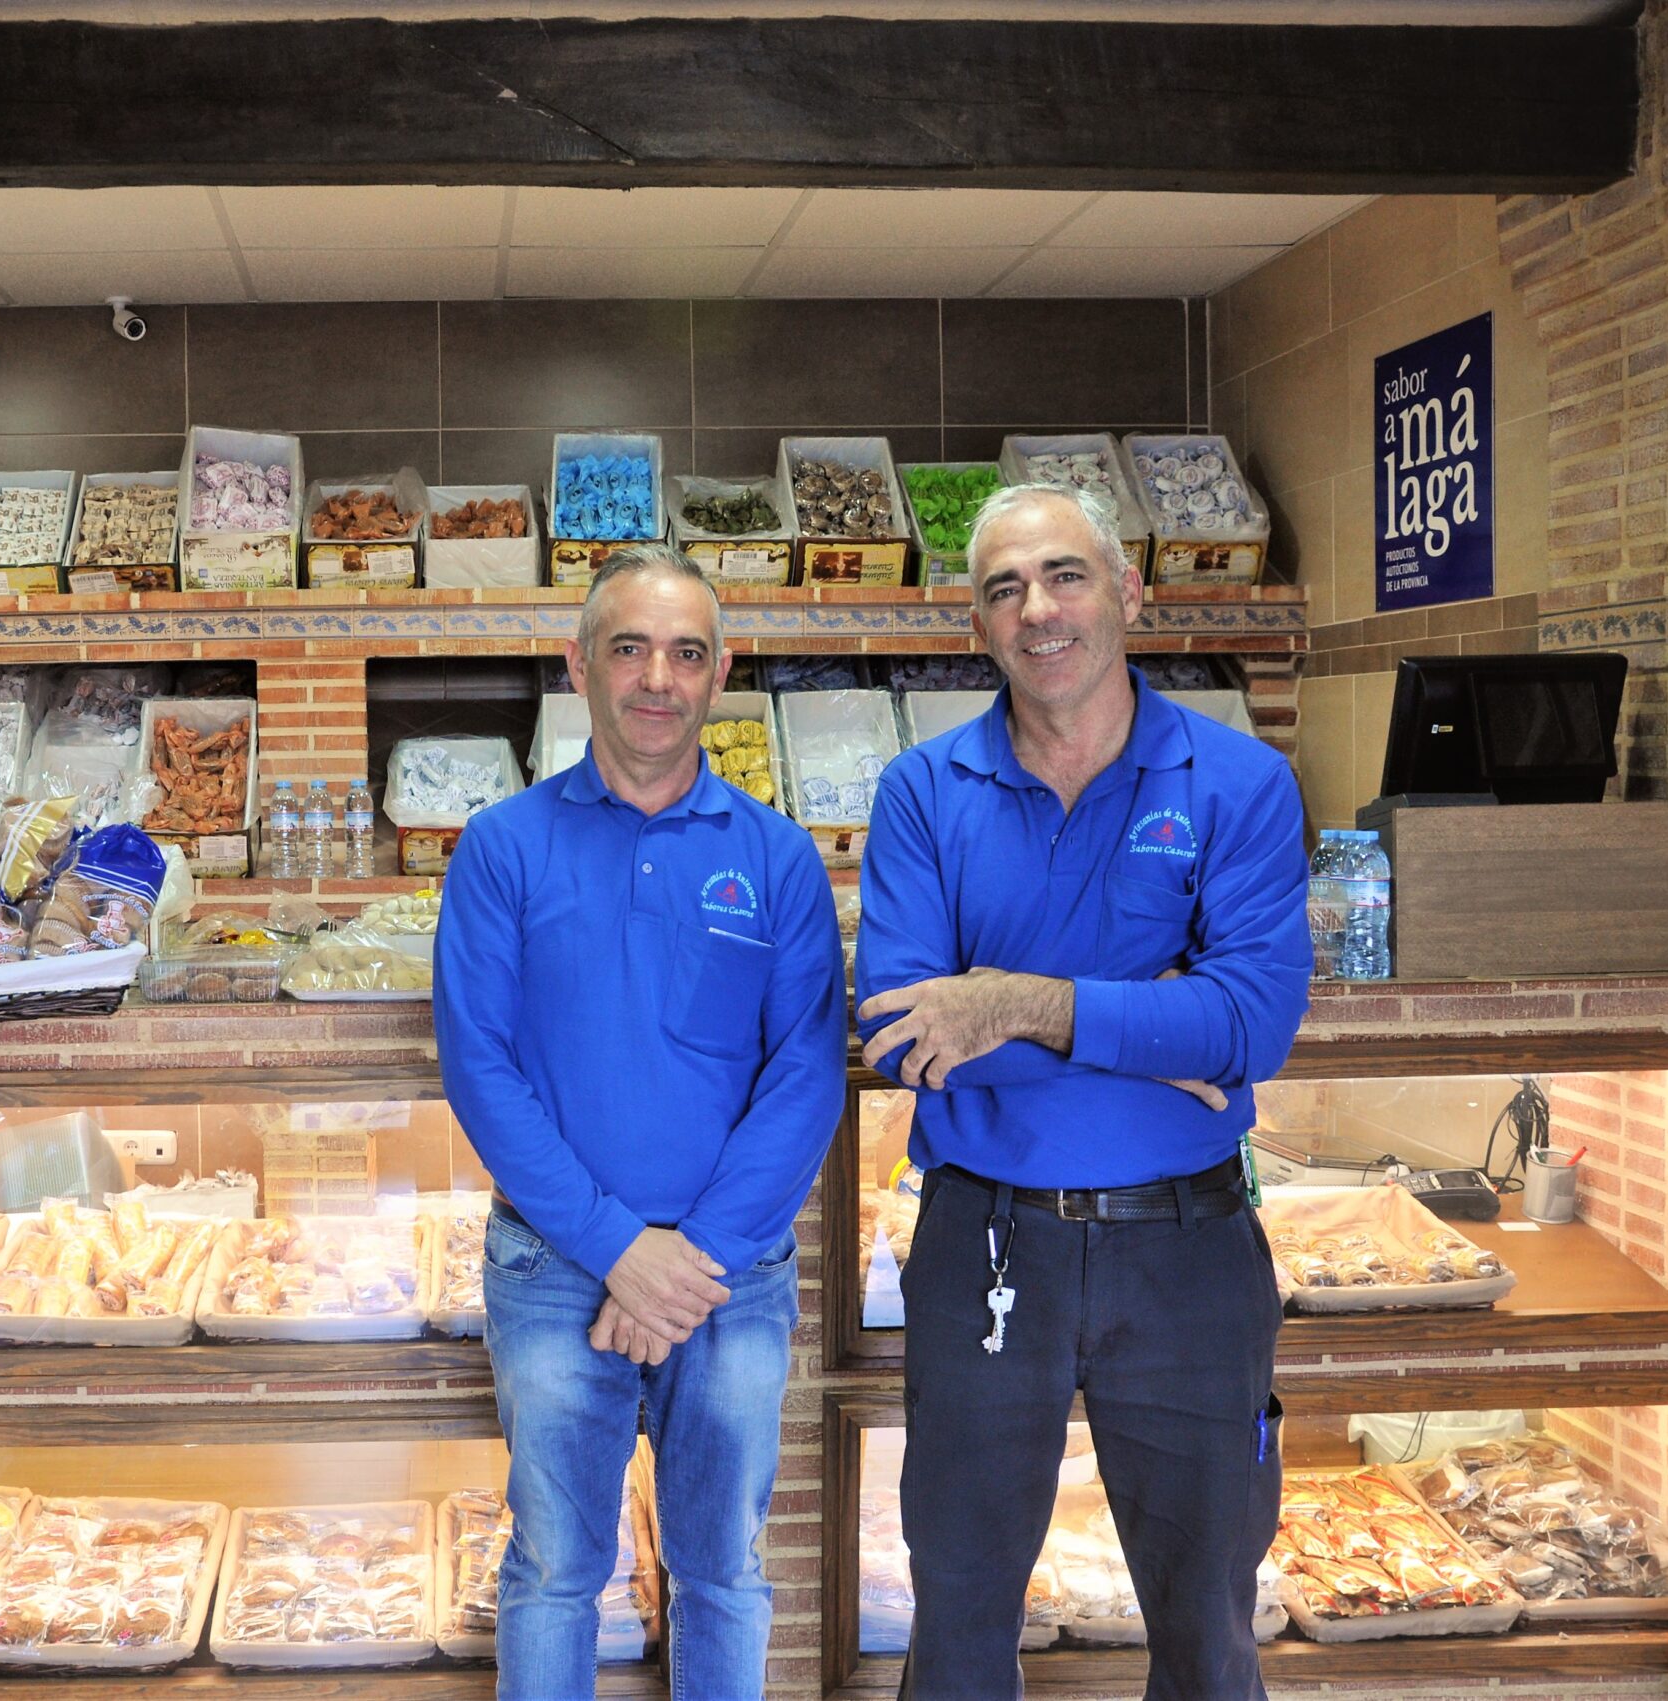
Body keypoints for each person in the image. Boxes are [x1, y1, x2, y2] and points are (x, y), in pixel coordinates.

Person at [855, 484, 1311, 1701]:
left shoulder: (1239, 784)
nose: (1036, 609)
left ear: (1129, 594)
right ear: (975, 625)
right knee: (955, 1614)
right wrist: (1149, 1024)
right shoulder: (922, 792)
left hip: (1191, 1249)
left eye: (1065, 575)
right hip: (982, 1244)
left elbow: (1250, 1024)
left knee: (1211, 1624)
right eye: (1003, 588)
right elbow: (905, 1033)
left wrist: (1009, 1002)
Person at [436, 544, 846, 1701]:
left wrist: (693, 1257)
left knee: (722, 1570)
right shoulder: (503, 849)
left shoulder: (775, 858)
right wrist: (621, 1247)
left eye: (685, 653)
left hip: (731, 1273)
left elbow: (805, 1077)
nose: (656, 678)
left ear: (721, 675)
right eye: (629, 649)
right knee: (558, 1568)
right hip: (558, 1267)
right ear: (579, 667)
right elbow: (482, 1069)